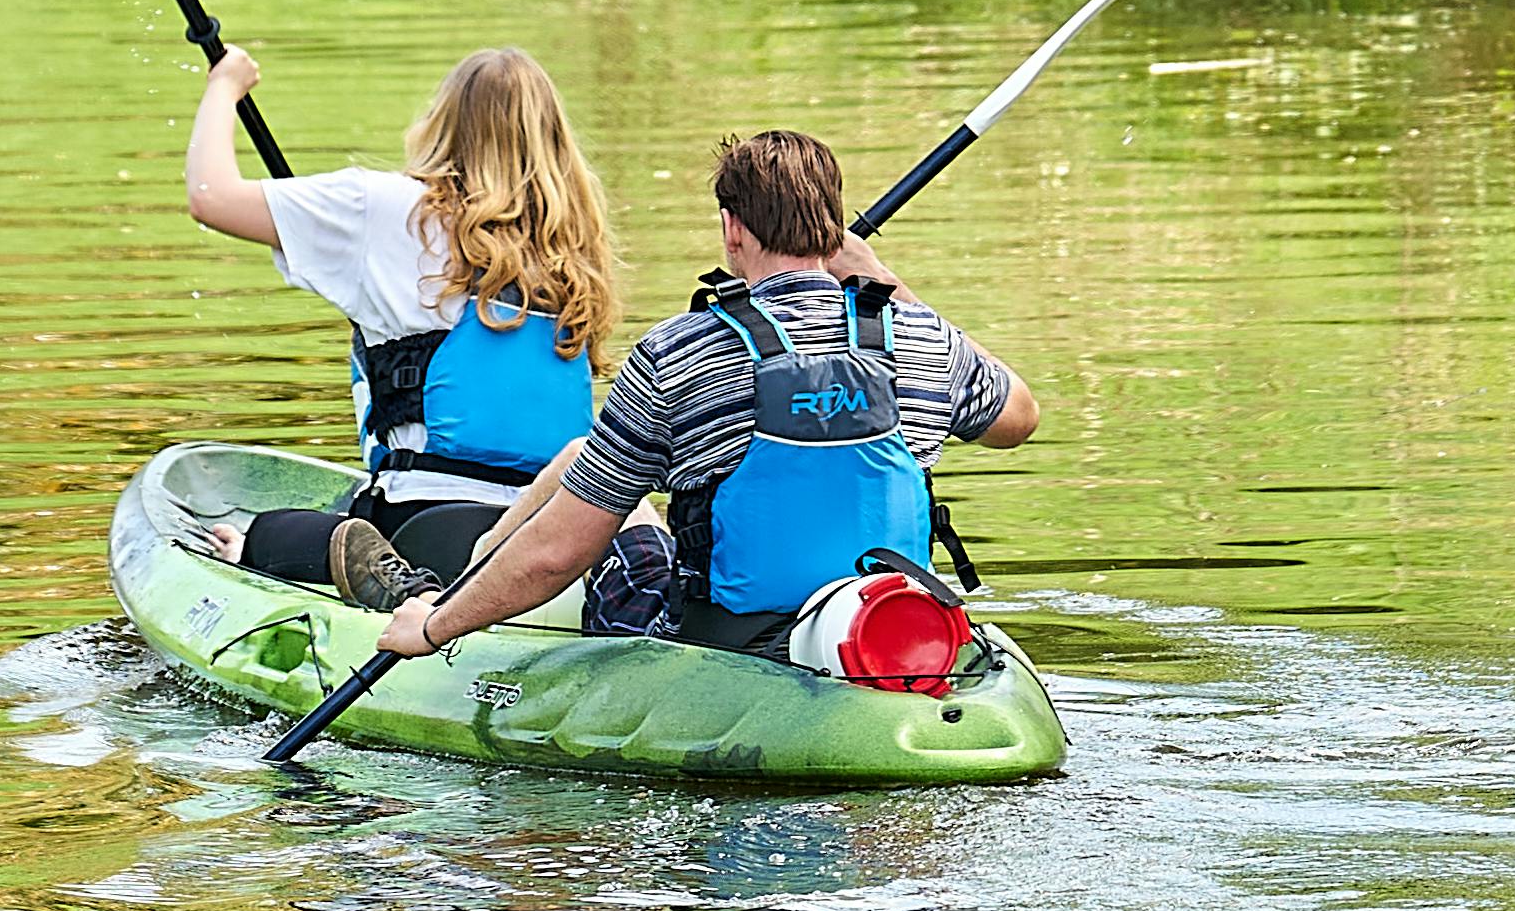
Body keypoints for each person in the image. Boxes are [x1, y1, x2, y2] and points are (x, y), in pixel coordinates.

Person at [363, 127, 1042, 670]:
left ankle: (441, 593)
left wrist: (435, 629)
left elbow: (557, 554)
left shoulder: (677, 354)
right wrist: (885, 284)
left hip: (725, 650)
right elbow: (1019, 418)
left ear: (732, 230)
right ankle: (459, 580)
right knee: (584, 461)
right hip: (887, 635)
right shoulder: (925, 340)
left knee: (586, 470)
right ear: (833, 233)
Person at [181, 44, 624, 604]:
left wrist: (225, 85)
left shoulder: (386, 207)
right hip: (557, 527)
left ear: (443, 123)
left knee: (263, 535)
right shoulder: (570, 249)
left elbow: (210, 197)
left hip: (427, 521)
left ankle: (322, 563)